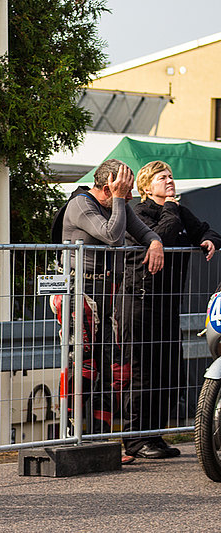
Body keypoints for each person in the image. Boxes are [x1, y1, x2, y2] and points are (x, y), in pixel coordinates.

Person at [61, 158, 164, 460]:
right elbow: (113, 237)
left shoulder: (118, 204)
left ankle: (102, 441)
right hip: (82, 293)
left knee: (110, 366)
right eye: (124, 190)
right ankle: (77, 439)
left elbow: (146, 233)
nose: (130, 196)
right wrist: (118, 200)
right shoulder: (82, 204)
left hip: (108, 292)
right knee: (84, 364)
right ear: (108, 188)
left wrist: (155, 243)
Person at [120, 161, 221, 459]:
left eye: (171, 176)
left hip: (168, 304)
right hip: (140, 302)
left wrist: (207, 240)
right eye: (162, 177)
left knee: (171, 374)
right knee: (143, 374)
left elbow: (209, 231)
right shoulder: (138, 213)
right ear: (146, 185)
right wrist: (171, 208)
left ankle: (156, 435)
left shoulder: (177, 210)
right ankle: (137, 440)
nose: (170, 181)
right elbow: (160, 237)